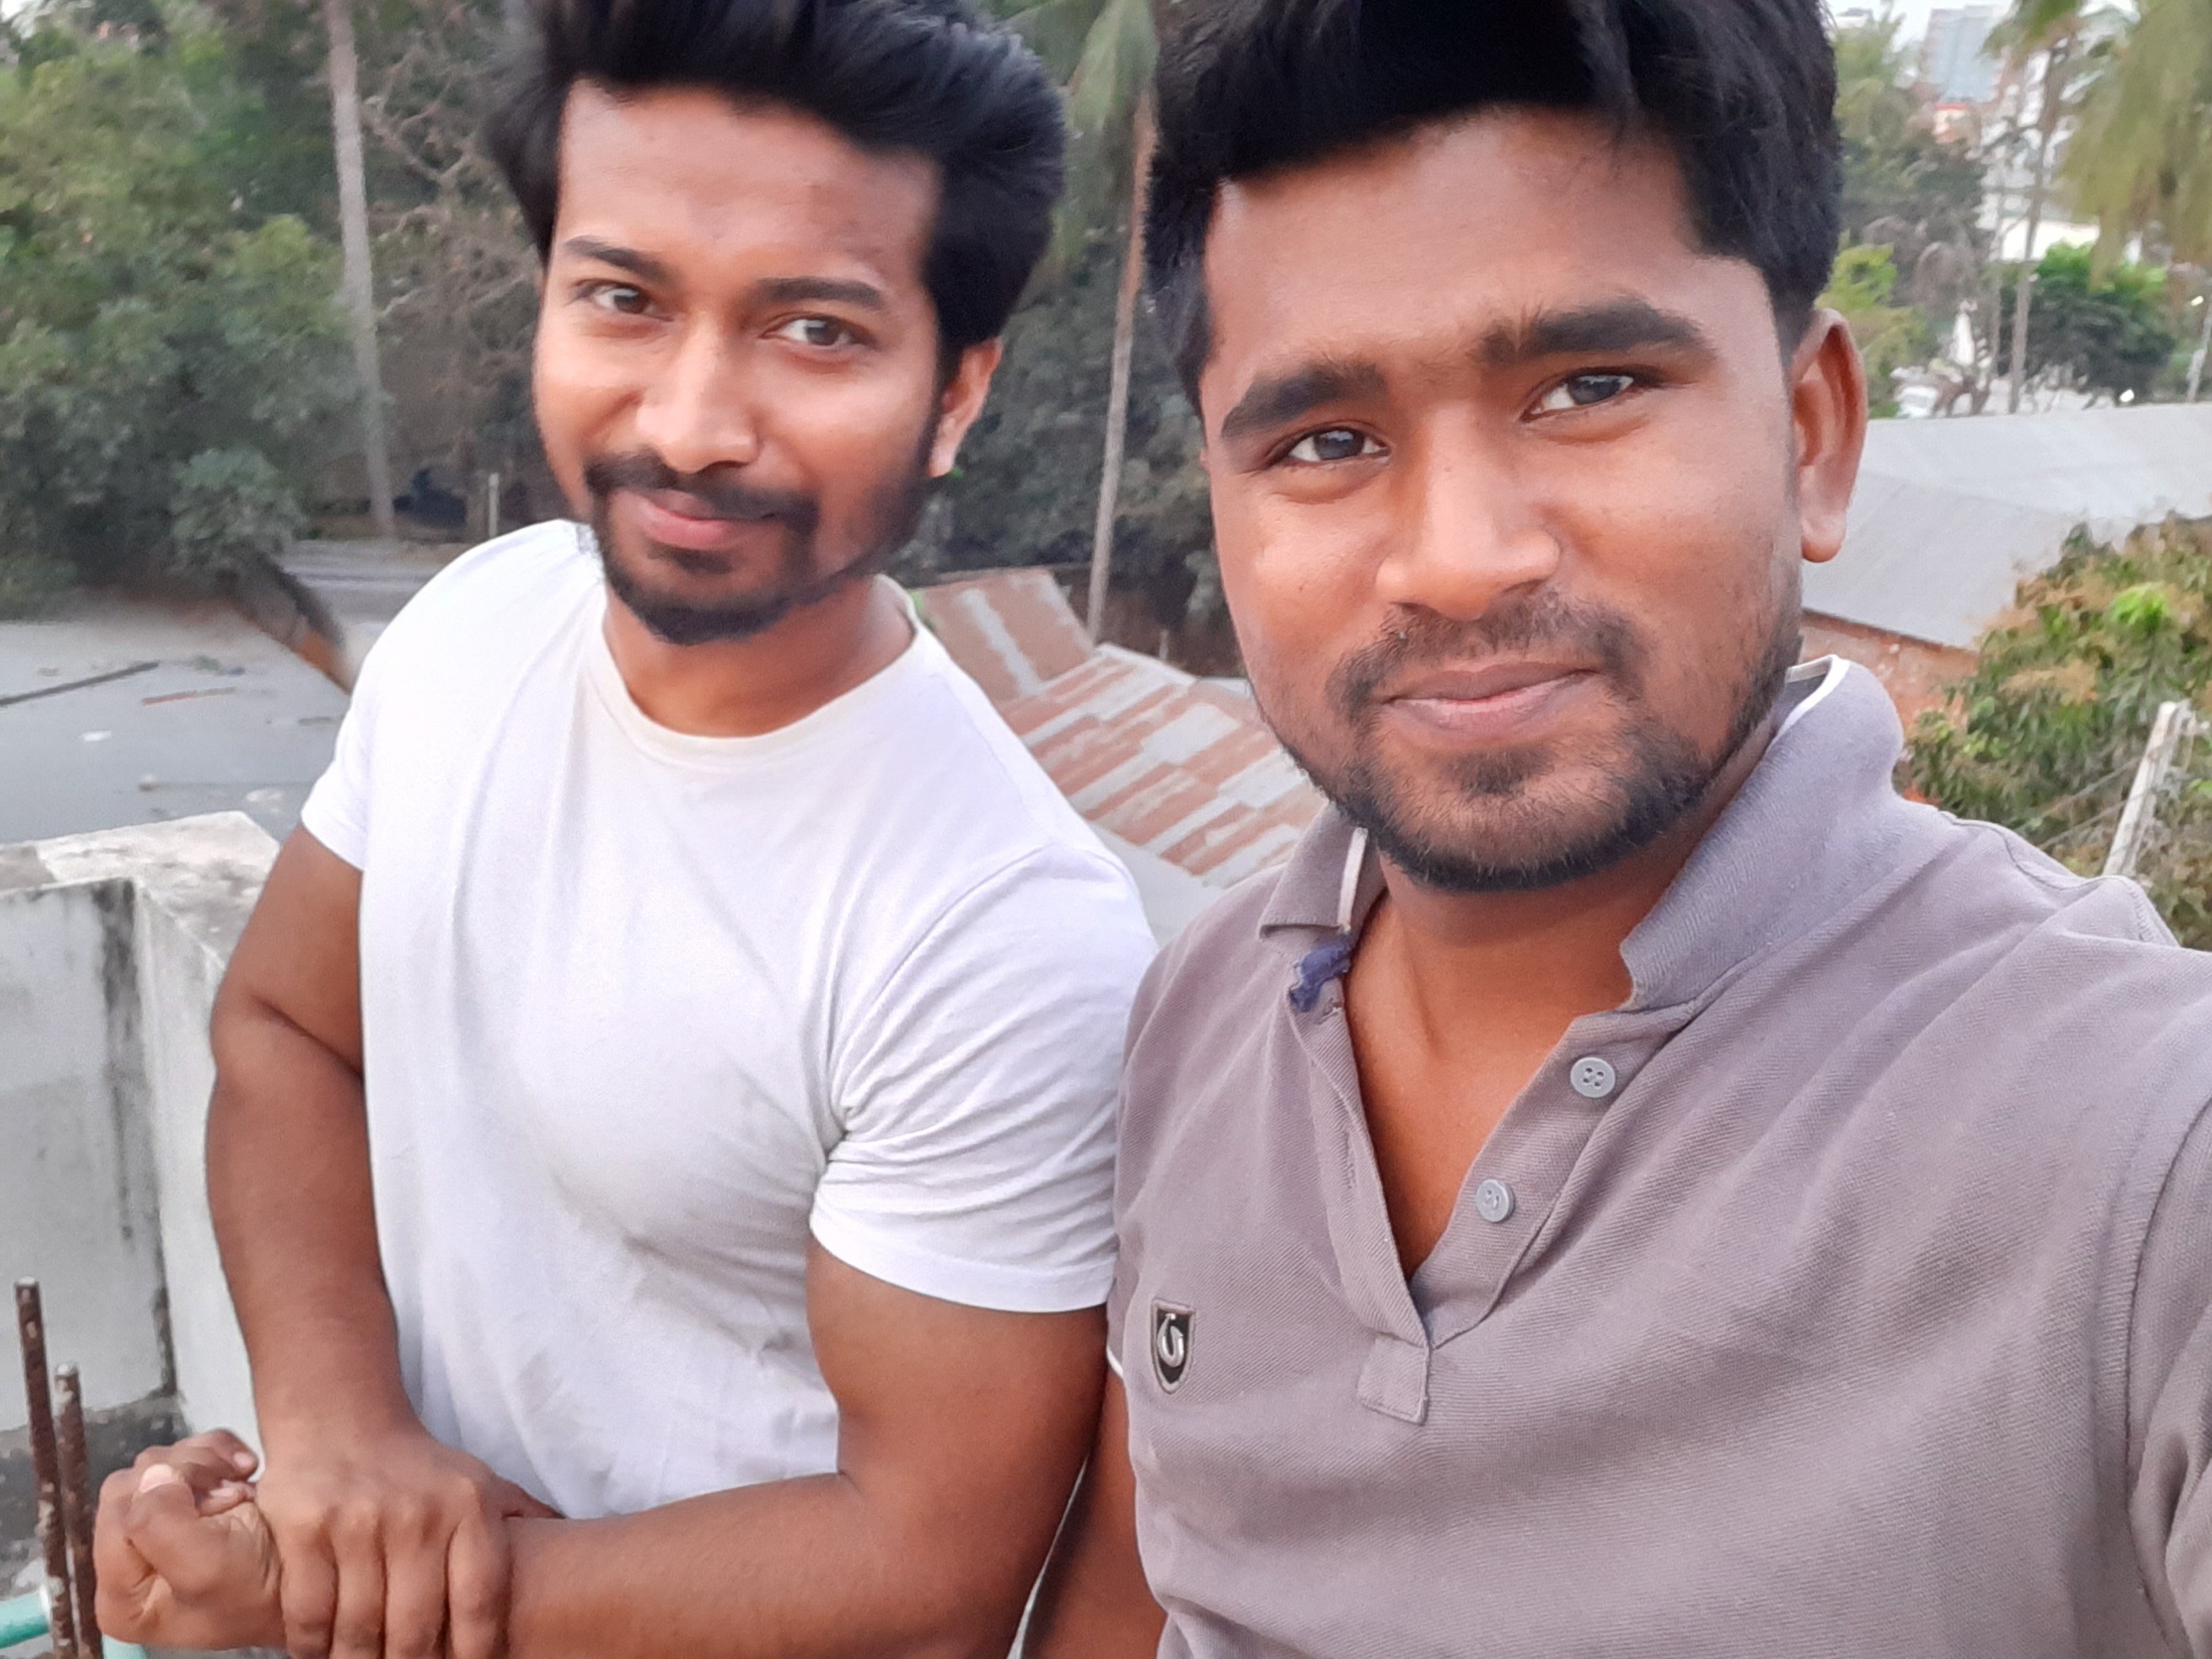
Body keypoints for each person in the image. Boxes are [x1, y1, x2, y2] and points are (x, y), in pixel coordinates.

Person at [1026, 2, 2212, 1655]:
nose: (1458, 559)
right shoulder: (1203, 1015)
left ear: (1812, 434)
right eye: (1326, 442)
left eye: (1587, 388)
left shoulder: (2143, 1147)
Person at [95, 2, 1157, 1656]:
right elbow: (290, 1029)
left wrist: (334, 1593)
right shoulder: (475, 624)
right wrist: (339, 1433)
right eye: (623, 300)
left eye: (814, 330)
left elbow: (927, 1552)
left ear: (956, 394)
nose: (689, 423)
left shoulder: (998, 930)